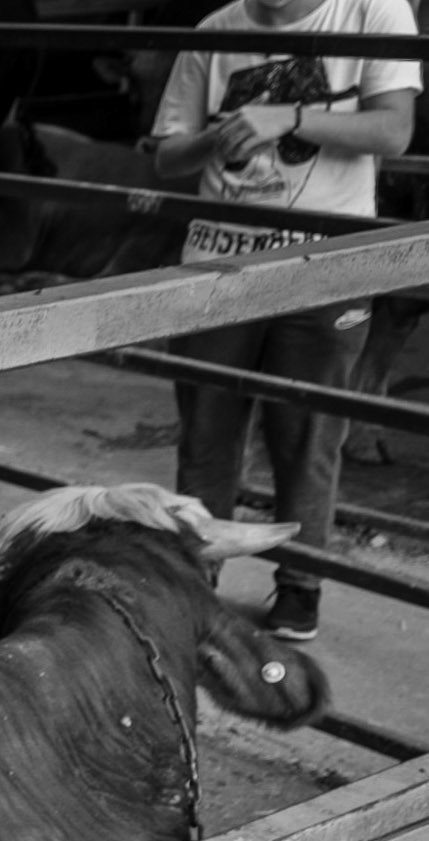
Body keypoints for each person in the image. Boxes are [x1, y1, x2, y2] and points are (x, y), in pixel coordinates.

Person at [151, 0, 419, 639]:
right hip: (216, 268)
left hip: (323, 271)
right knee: (207, 434)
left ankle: (300, 590)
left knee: (308, 436)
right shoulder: (215, 31)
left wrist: (292, 117)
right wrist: (221, 135)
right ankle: (196, 581)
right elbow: (167, 156)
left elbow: (393, 133)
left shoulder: (373, 14)